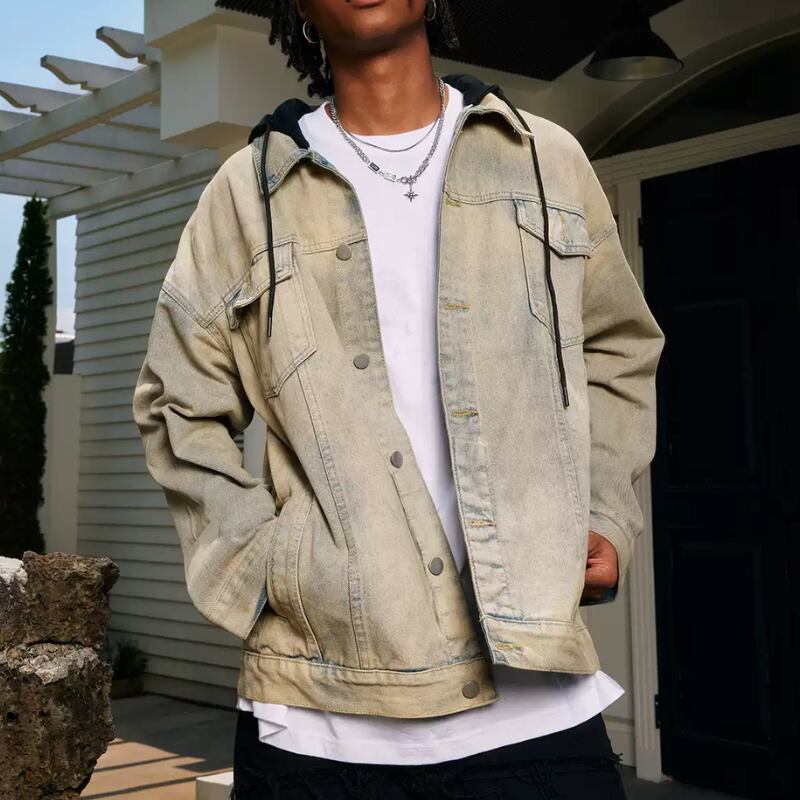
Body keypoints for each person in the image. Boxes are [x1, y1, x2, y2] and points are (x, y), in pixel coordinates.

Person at [132, 1, 665, 797]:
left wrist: (606, 512)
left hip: (537, 716)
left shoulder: (543, 158)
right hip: (316, 723)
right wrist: (265, 568)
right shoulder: (245, 196)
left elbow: (618, 345)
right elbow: (177, 403)